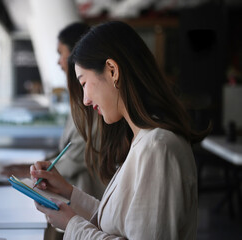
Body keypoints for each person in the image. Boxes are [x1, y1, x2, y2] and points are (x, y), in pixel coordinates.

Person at [30, 21, 210, 239]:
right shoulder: (143, 140)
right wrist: (68, 192)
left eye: (84, 83)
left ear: (113, 71)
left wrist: (72, 225)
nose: (85, 100)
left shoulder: (157, 147)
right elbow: (118, 221)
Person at [1, 22, 105, 200]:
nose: (58, 62)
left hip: (88, 202)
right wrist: (31, 168)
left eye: (60, 53)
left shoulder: (94, 105)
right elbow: (68, 152)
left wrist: (28, 171)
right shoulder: (81, 99)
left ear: (76, 54)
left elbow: (75, 159)